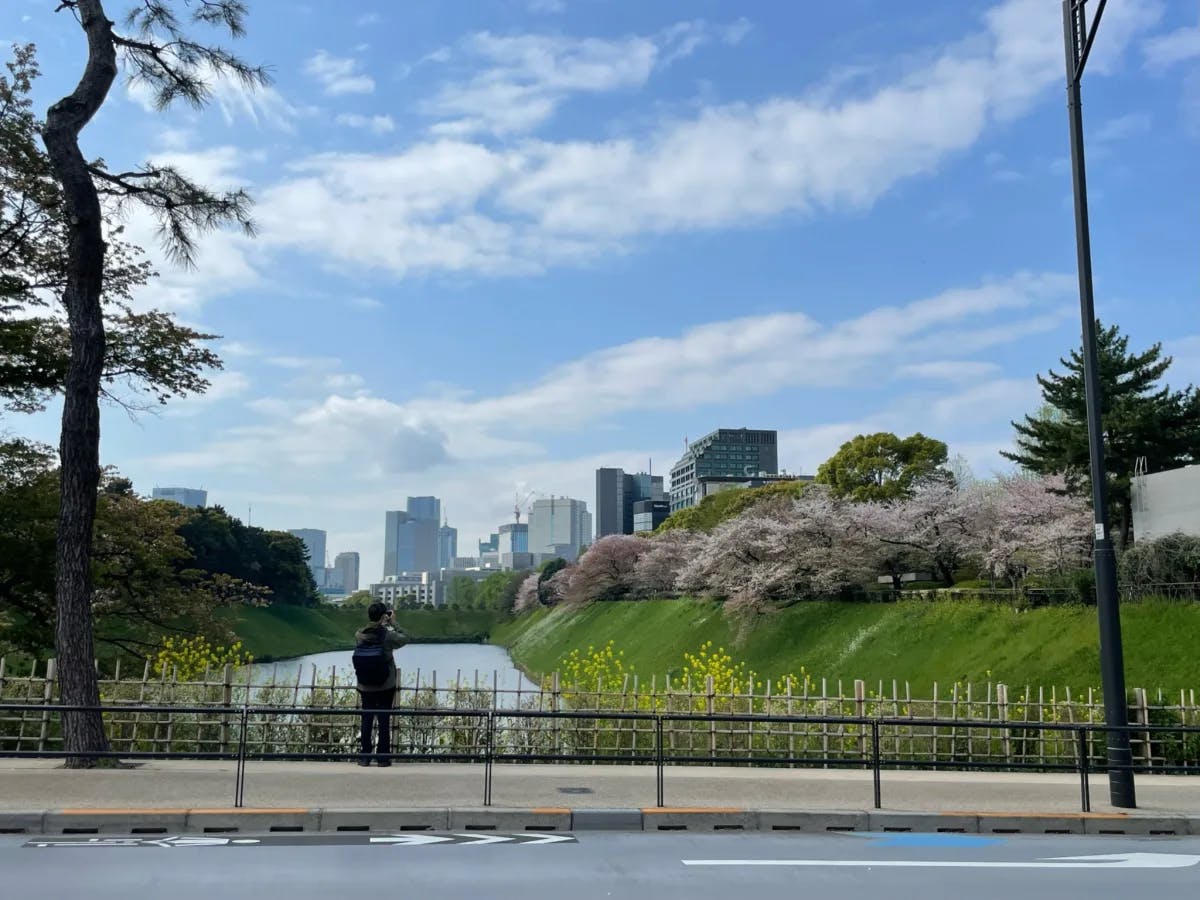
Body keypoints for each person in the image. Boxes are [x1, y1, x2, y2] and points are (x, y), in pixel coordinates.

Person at [353, 602, 408, 766]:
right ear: (384, 616)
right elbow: (405, 638)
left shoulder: (359, 634)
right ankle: (383, 757)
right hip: (385, 683)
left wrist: (383, 622)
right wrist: (393, 623)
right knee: (384, 719)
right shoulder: (388, 636)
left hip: (365, 683)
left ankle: (364, 756)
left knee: (367, 718)